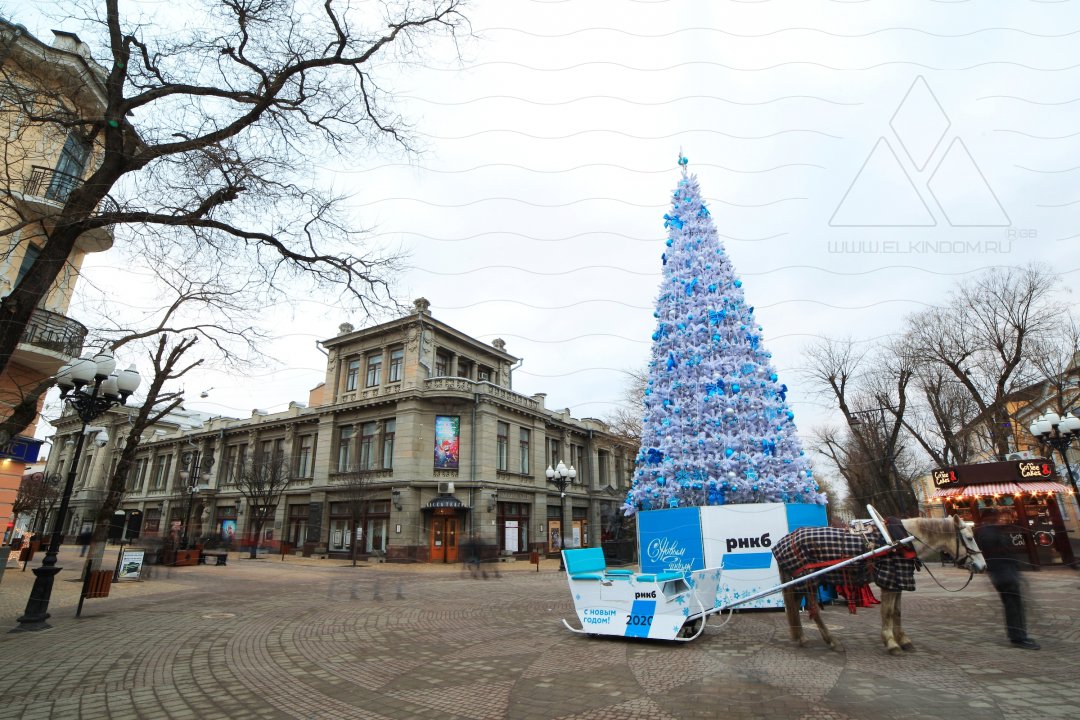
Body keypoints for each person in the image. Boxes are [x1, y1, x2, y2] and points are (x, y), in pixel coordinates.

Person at [974, 508, 1040, 650]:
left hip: (1006, 572)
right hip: (1002, 574)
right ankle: (1018, 637)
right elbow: (997, 551)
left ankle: (1018, 635)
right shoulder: (987, 532)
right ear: (989, 518)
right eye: (997, 517)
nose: (1000, 519)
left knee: (1014, 604)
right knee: (1012, 605)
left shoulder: (989, 530)